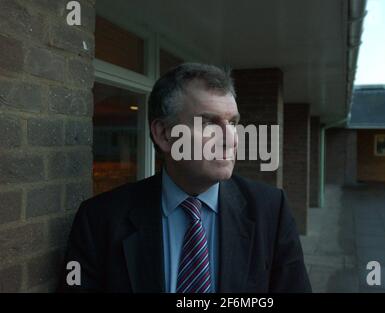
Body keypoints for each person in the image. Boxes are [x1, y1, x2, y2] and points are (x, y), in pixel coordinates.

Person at [59, 63, 311, 293]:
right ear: (164, 134)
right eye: (209, 122)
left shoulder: (270, 209)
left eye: (233, 123)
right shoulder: (100, 219)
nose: (231, 139)